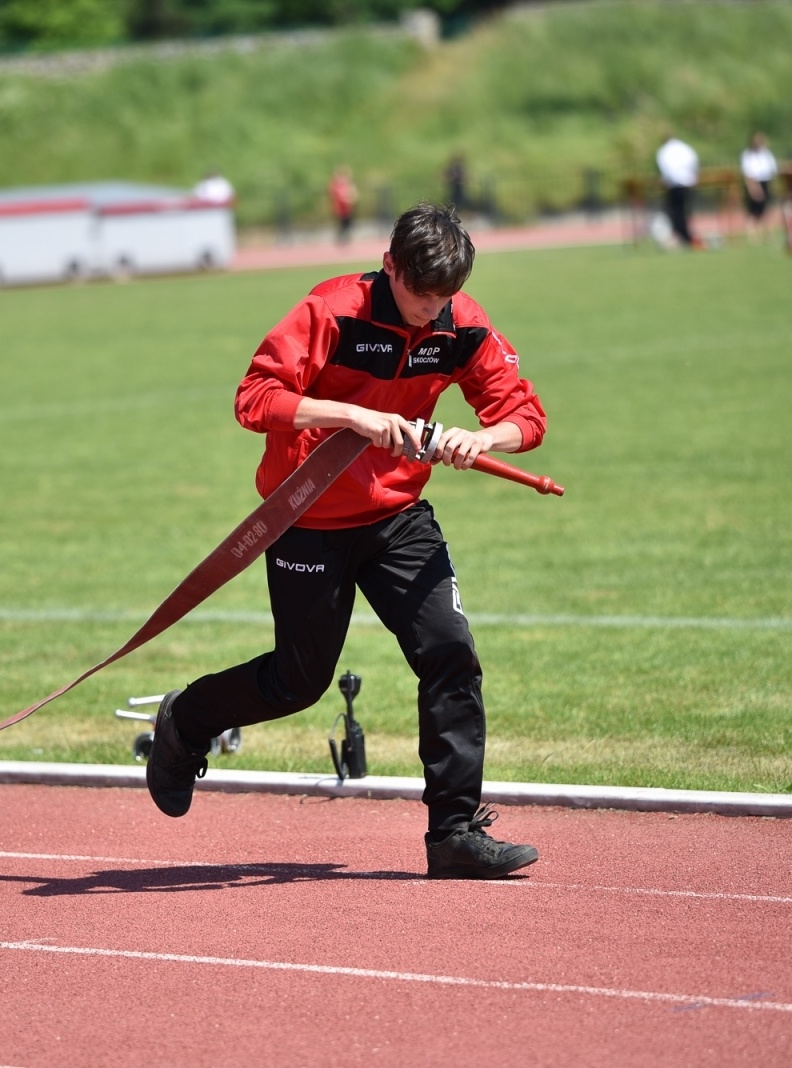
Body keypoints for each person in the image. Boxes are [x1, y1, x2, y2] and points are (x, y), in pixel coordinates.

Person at [145, 202, 547, 880]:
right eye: (422, 299)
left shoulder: (460, 320)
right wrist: (354, 416)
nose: (433, 315)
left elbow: (523, 416)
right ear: (390, 266)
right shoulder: (332, 310)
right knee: (299, 682)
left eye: (445, 299)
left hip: (399, 518)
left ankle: (452, 833)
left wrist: (481, 438)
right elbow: (255, 399)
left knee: (450, 653)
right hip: (307, 519)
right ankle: (187, 720)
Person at [655, 134, 701, 248]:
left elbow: (665, 167)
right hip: (687, 182)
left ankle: (682, 236)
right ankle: (684, 236)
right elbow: (694, 162)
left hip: (674, 185)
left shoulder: (664, 151)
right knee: (685, 211)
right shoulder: (684, 148)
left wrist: (666, 179)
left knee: (676, 212)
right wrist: (693, 177)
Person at [739, 132, 778, 240]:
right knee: (753, 211)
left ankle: (767, 234)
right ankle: (752, 235)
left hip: (766, 181)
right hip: (754, 182)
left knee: (765, 210)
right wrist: (753, 187)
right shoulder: (747, 155)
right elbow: (747, 173)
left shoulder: (766, 154)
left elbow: (773, 169)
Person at [328, 166, 359, 245]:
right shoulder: (335, 186)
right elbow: (340, 197)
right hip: (340, 209)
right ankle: (341, 239)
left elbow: (353, 193)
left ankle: (344, 239)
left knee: (347, 224)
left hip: (348, 209)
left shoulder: (347, 184)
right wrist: (349, 199)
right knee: (342, 225)